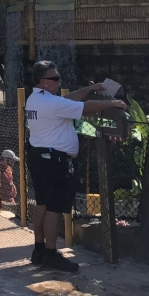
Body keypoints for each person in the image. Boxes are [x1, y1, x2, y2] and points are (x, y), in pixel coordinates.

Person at [25, 60, 126, 272]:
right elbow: (85, 108)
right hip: (54, 160)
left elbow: (66, 100)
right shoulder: (51, 103)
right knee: (54, 208)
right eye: (55, 78)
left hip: (38, 155)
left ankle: (39, 249)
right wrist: (112, 103)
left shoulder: (35, 98)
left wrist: (90, 88)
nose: (59, 81)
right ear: (44, 81)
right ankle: (51, 254)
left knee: (42, 203)